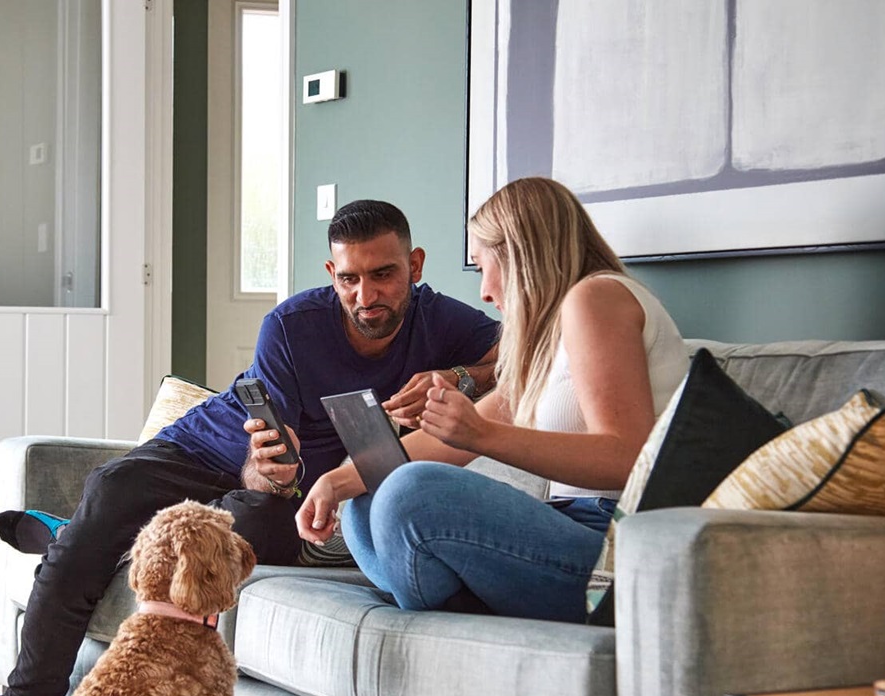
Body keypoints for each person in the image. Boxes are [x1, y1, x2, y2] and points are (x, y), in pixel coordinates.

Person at [0, 199, 501, 696]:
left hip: (283, 494)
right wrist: (266, 473)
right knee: (114, 487)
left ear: (415, 266)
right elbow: (268, 461)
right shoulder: (292, 326)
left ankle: (83, 531)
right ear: (331, 271)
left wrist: (461, 377)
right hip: (218, 451)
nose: (366, 295)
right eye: (349, 278)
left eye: (383, 275)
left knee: (241, 529)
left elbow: (521, 349)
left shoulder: (444, 322)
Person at [295, 177, 688, 622]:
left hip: (613, 545)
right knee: (368, 503)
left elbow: (627, 457)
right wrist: (338, 480)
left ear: (519, 256)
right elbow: (449, 442)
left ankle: (449, 607)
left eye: (483, 266)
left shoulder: (596, 299)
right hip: (567, 526)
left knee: (408, 491)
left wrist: (482, 435)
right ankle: (462, 606)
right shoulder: (550, 336)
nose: (483, 291)